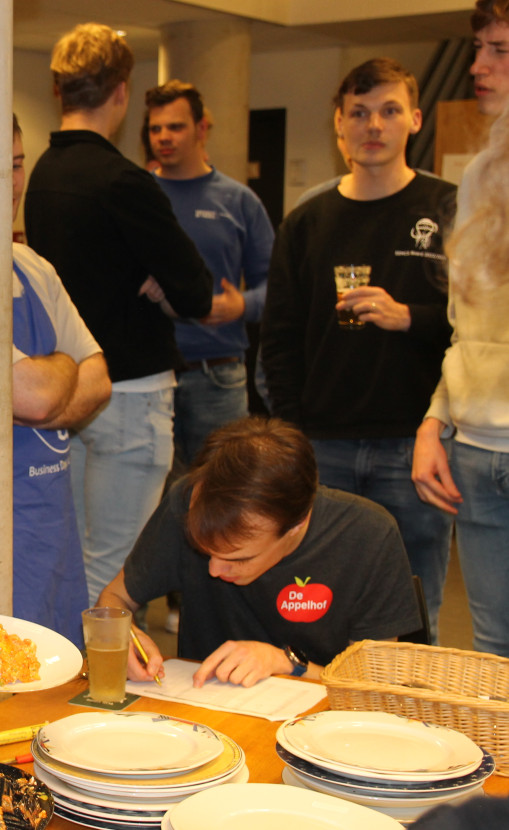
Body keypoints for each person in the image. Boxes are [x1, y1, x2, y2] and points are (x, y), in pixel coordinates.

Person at [261, 59, 455, 639]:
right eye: (360, 113)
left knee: (416, 607)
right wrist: (294, 437)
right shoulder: (306, 222)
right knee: (319, 602)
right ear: (338, 126)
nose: (374, 125)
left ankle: (412, 719)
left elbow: (478, 328)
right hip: (325, 446)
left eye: (389, 111)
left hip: (416, 444)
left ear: (414, 120)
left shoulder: (449, 210)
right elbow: (279, 341)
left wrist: (409, 317)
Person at [24, 23, 213, 606]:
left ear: (60, 92)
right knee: (115, 572)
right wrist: (158, 286)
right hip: (130, 393)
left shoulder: (40, 177)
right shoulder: (124, 181)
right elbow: (197, 293)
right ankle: (99, 691)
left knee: (76, 559)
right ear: (122, 92)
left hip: (69, 388)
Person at [97, 416, 421, 688]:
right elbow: (114, 599)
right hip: (206, 712)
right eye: (202, 549)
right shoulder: (188, 503)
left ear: (297, 524)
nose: (214, 569)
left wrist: (286, 663)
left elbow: (378, 686)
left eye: (238, 558)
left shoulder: (368, 536)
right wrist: (119, 634)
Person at [413, 0, 509, 658]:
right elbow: (466, 330)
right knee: (492, 648)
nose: (477, 65)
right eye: (478, 47)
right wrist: (433, 421)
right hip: (475, 448)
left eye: (499, 49)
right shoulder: (478, 176)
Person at [10, 115, 112, 647]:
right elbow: (38, 393)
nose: (11, 184)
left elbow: (99, 379)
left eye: (18, 164)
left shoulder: (33, 267)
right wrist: (60, 369)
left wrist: (48, 385)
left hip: (51, 517)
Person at [142, 80, 274, 468]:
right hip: (150, 374)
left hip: (218, 375)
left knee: (223, 492)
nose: (164, 137)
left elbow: (278, 289)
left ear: (201, 129)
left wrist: (241, 306)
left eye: (176, 127)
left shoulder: (238, 201)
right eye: (155, 128)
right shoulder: (138, 195)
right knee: (157, 503)